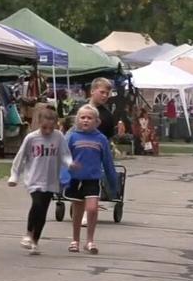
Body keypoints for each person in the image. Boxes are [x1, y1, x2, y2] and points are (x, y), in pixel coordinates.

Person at [8, 107, 77, 254]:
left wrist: (70, 163)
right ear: (39, 123)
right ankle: (28, 233)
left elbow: (65, 154)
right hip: (34, 178)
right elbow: (20, 157)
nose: (48, 131)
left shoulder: (58, 137)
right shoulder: (31, 138)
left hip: (51, 179)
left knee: (43, 210)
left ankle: (35, 241)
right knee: (37, 203)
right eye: (45, 128)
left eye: (51, 128)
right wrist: (14, 176)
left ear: (56, 125)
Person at [63, 104, 118, 255]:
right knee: (77, 210)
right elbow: (64, 157)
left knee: (92, 209)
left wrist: (113, 182)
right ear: (77, 120)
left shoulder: (101, 139)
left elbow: (108, 162)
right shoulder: (72, 137)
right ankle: (75, 240)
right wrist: (64, 174)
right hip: (75, 179)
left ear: (96, 121)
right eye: (82, 117)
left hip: (92, 179)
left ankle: (90, 241)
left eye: (89, 118)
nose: (86, 120)